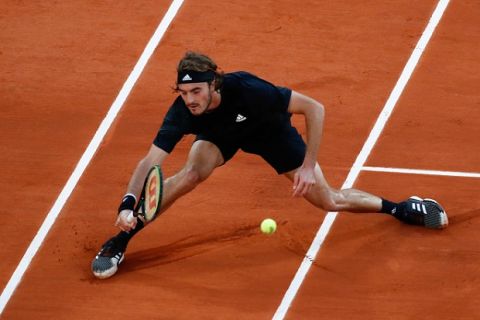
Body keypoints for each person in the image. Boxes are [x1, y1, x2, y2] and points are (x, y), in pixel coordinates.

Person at [91, 51, 448, 279]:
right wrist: (126, 204)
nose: (191, 100)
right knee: (190, 174)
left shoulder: (249, 89)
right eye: (184, 94)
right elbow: (149, 162)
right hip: (221, 137)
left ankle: (399, 208)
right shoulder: (183, 113)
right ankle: (122, 238)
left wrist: (308, 166)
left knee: (328, 201)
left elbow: (315, 108)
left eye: (197, 91)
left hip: (270, 132)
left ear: (214, 83)